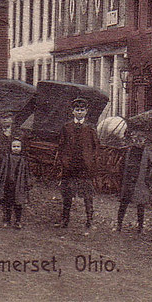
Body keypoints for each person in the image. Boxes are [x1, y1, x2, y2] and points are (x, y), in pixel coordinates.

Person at [54, 97, 100, 230]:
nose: (79, 112)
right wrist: (64, 161)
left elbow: (96, 147)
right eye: (77, 110)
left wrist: (91, 161)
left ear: (86, 111)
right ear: (72, 111)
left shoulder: (90, 128)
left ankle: (89, 220)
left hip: (85, 167)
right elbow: (61, 146)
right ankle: (65, 220)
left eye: (82, 110)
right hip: (69, 167)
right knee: (67, 194)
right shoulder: (67, 127)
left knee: (87, 195)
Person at [117, 120, 152, 232]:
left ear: (145, 140)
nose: (139, 141)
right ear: (132, 138)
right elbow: (121, 166)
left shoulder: (148, 153)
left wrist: (148, 181)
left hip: (141, 183)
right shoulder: (128, 151)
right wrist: (121, 181)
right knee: (123, 204)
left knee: (140, 206)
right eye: (136, 138)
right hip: (128, 182)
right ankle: (119, 224)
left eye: (142, 138)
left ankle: (140, 227)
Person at [0, 137, 31, 229]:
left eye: (18, 146)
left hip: (19, 185)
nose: (16, 148)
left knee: (18, 204)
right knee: (7, 203)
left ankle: (18, 221)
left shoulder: (23, 160)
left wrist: (28, 183)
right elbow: (2, 170)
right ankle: (7, 220)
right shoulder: (7, 158)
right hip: (8, 184)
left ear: (22, 148)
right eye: (14, 146)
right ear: (10, 147)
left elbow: (27, 173)